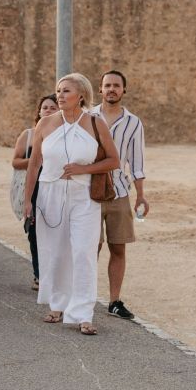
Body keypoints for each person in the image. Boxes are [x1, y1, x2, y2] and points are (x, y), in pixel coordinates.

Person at [23, 74, 119, 335]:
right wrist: (28, 200)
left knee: (83, 252)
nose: (60, 95)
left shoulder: (95, 123)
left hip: (84, 196)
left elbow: (113, 160)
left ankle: (83, 313)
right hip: (49, 194)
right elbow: (34, 164)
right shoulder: (45, 123)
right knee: (55, 252)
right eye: (58, 90)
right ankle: (57, 305)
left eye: (66, 91)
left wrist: (82, 168)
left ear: (81, 95)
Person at [92, 70, 148, 320]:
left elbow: (137, 163)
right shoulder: (87, 117)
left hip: (120, 192)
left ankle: (114, 301)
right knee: (90, 248)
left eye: (116, 85)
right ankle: (84, 297)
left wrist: (141, 195)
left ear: (124, 90)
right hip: (90, 192)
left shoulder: (133, 123)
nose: (111, 89)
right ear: (100, 89)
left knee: (118, 248)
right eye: (107, 85)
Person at [11, 94, 59, 290]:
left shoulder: (64, 135)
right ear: (39, 111)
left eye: (52, 108)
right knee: (34, 233)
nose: (48, 111)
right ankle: (39, 275)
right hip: (33, 188)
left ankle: (54, 275)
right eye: (45, 107)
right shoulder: (29, 135)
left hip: (55, 189)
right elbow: (15, 161)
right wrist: (35, 161)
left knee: (55, 233)